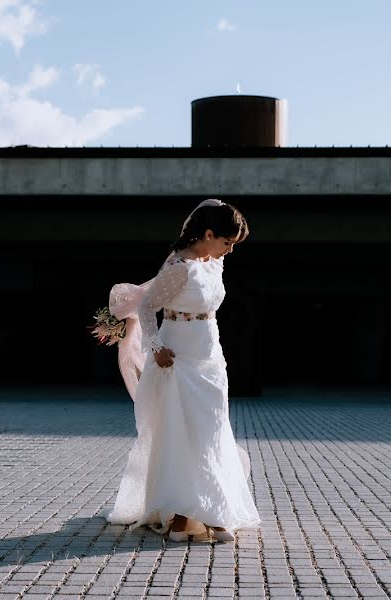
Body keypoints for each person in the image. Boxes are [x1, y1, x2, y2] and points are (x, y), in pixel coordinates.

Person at [105, 199, 261, 542]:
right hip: (178, 358)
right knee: (181, 431)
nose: (229, 251)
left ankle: (215, 510)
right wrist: (156, 348)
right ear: (207, 234)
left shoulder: (213, 263)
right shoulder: (179, 267)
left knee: (212, 429)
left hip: (210, 356)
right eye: (226, 242)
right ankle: (180, 515)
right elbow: (147, 308)